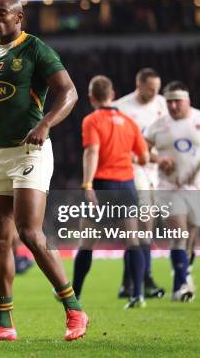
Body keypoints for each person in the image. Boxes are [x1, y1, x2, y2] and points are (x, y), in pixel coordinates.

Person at [0, 0, 88, 342]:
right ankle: (3, 324)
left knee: (29, 232)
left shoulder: (35, 49)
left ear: (19, 17)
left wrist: (46, 124)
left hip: (31, 150)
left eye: (1, 14)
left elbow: (69, 93)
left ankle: (75, 309)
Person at [145, 81, 200, 302]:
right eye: (169, 101)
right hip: (169, 188)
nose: (172, 106)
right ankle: (180, 286)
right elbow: (140, 150)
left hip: (196, 187)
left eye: (177, 101)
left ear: (187, 99)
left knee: (192, 235)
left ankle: (184, 272)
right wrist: (158, 159)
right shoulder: (158, 125)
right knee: (179, 234)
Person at [74, 75, 150, 309]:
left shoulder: (92, 120)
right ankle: (137, 294)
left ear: (91, 97)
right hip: (127, 184)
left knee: (87, 242)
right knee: (132, 241)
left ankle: (74, 295)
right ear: (113, 95)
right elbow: (145, 158)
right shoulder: (129, 122)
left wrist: (87, 184)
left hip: (102, 185)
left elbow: (92, 152)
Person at [113, 67, 167, 299]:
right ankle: (145, 280)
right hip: (134, 171)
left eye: (157, 89)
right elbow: (120, 147)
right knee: (142, 226)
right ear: (139, 84)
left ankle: (129, 282)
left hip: (157, 174)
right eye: (150, 89)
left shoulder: (163, 105)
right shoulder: (122, 108)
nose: (154, 93)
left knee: (144, 229)